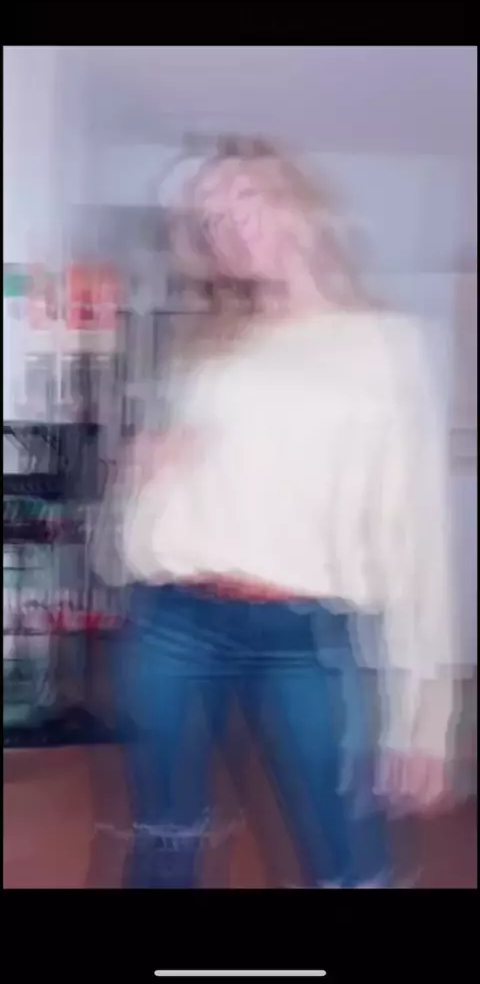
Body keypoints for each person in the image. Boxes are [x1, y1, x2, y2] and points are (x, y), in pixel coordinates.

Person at [93, 137, 458, 888]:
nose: (227, 222)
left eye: (244, 195)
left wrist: (424, 717)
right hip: (172, 619)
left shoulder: (385, 344)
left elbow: (416, 535)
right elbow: (156, 497)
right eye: (209, 218)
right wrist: (137, 480)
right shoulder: (205, 347)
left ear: (302, 202)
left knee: (350, 861)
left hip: (304, 633)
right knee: (166, 841)